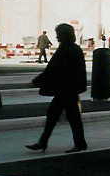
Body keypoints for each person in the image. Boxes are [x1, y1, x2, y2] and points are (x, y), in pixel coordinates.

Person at [26, 23, 88, 153]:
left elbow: (52, 69)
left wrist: (36, 81)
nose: (57, 36)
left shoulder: (65, 49)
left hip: (66, 89)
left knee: (62, 116)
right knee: (60, 116)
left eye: (58, 33)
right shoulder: (74, 48)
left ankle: (77, 143)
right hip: (69, 88)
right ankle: (44, 142)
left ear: (64, 35)